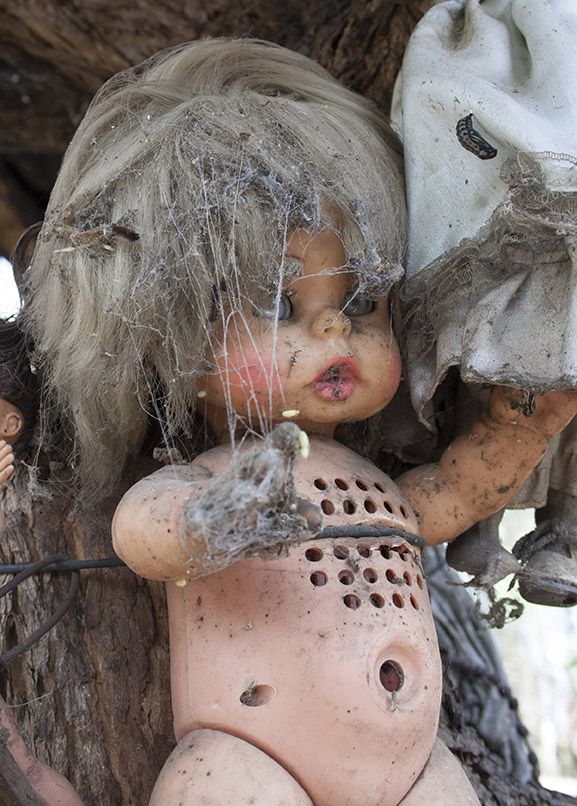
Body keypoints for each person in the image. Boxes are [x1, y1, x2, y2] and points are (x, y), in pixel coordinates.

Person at [14, 37, 577, 804]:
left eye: (360, 304)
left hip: (412, 764)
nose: (333, 332)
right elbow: (144, 535)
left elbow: (440, 500)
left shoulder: (376, 486)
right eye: (279, 306)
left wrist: (516, 436)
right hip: (254, 754)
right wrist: (216, 517)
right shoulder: (209, 476)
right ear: (167, 336)